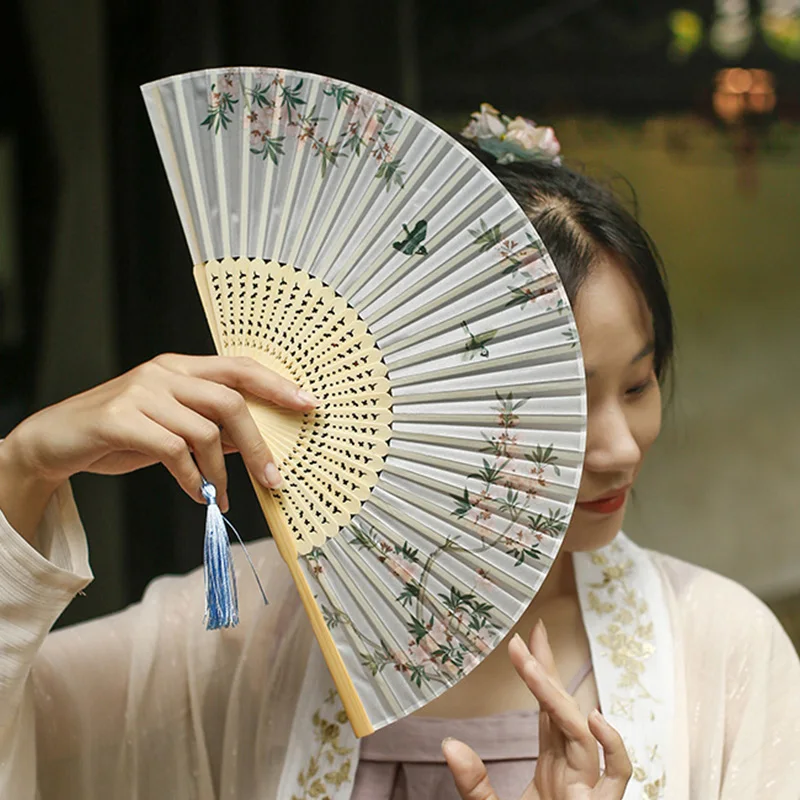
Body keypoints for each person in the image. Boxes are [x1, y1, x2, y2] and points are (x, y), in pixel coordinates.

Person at [0, 106, 797, 800]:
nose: (621, 449)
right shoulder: (233, 637)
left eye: (638, 384)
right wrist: (22, 467)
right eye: (566, 404)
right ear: (429, 391)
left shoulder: (721, 649)